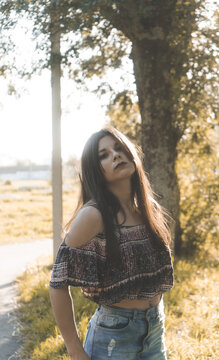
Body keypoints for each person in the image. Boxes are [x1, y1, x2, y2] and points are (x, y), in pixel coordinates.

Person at [49, 127, 174, 360]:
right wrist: (74, 349)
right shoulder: (93, 215)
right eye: (103, 155)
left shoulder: (149, 209)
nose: (115, 155)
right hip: (114, 336)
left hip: (155, 326)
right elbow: (57, 283)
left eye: (119, 148)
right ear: (95, 170)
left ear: (132, 153)